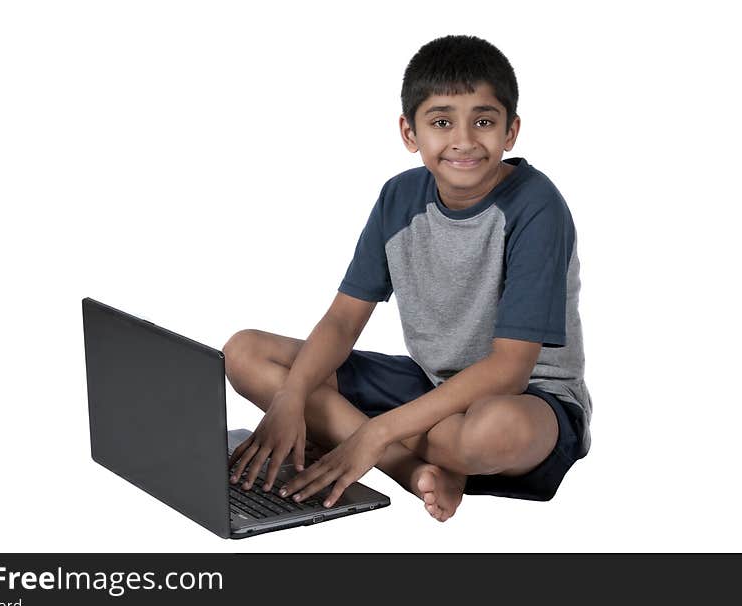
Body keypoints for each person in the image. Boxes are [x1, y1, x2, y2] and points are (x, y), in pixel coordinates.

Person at [224, 35, 592, 522]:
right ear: (409, 131)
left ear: (511, 131)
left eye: (483, 121)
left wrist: (373, 433)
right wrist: (290, 399)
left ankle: (376, 445)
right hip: (429, 384)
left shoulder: (537, 205)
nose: (463, 140)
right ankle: (414, 471)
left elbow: (510, 370)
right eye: (442, 122)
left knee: (491, 431)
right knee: (244, 352)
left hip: (529, 401)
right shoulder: (398, 199)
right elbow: (341, 321)